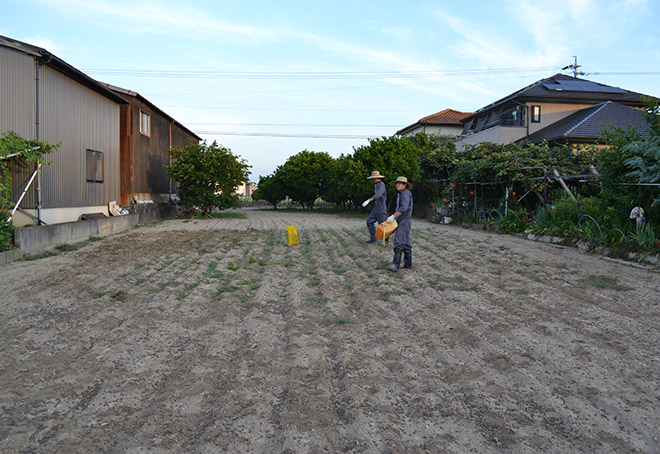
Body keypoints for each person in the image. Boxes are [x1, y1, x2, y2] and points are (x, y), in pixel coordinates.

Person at [386, 176, 413, 271]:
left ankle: (395, 265)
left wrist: (393, 216)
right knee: (405, 243)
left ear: (405, 185)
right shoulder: (401, 194)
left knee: (398, 242)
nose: (398, 184)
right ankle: (408, 264)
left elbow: (403, 209)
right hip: (402, 220)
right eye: (397, 183)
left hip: (404, 221)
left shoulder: (405, 194)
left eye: (400, 183)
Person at [362, 171, 387, 243]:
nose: (373, 180)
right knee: (369, 221)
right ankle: (373, 238)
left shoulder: (381, 185)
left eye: (374, 178)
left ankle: (385, 240)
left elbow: (378, 195)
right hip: (376, 208)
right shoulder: (376, 185)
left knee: (382, 225)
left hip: (381, 209)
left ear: (377, 178)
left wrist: (368, 200)